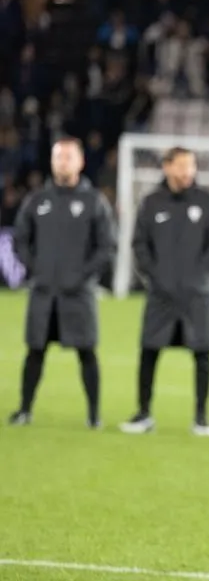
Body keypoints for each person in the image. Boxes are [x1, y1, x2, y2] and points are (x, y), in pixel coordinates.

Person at [9, 137, 117, 429]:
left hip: (78, 294)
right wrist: (36, 270)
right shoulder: (37, 200)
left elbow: (106, 246)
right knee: (35, 351)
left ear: (80, 162)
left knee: (87, 352)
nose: (63, 162)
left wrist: (83, 276)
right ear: (52, 161)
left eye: (69, 157)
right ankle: (24, 410)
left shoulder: (94, 201)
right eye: (59, 157)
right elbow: (20, 239)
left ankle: (93, 415)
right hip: (44, 292)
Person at [120, 147, 209, 437]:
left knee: (202, 354)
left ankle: (201, 418)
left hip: (197, 294)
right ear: (167, 167)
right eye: (181, 165)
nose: (187, 171)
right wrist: (154, 277)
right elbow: (139, 244)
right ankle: (143, 414)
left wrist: (200, 275)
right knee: (149, 351)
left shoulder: (205, 201)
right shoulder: (152, 202)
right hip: (160, 294)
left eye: (191, 166)